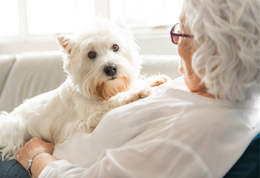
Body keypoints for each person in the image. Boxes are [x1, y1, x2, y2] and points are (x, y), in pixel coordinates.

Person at [1, 0, 260, 177]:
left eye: (180, 32)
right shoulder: (212, 89)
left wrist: (36, 156)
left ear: (210, 49)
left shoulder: (191, 138)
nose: (176, 44)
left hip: (32, 166)